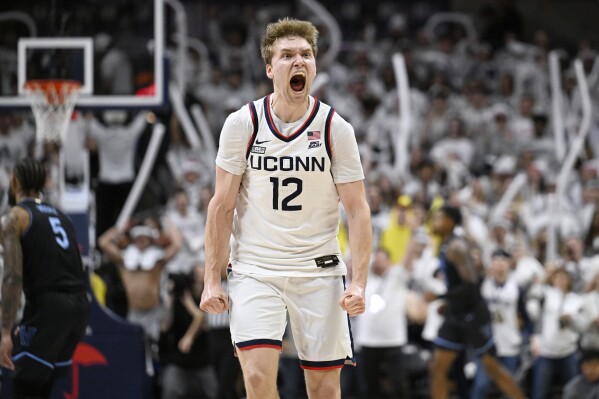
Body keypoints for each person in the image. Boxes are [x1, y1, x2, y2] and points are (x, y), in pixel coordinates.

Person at [200, 18, 372, 399]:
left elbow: (358, 210)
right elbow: (221, 206)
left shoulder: (335, 128)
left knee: (324, 388)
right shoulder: (242, 124)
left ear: (315, 66)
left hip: (318, 271)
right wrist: (212, 280)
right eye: (287, 55)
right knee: (259, 380)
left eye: (306, 55)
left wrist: (359, 281)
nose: (299, 62)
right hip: (255, 269)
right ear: (269, 67)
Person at [0, 158, 90, 398]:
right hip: (80, 306)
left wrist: (5, 331)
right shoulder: (63, 217)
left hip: (49, 307)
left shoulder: (15, 218)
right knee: (42, 386)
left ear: (14, 181)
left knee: (23, 385)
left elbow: (12, 276)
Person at [428, 205, 525, 399]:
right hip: (456, 314)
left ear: (450, 222)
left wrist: (441, 297)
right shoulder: (446, 244)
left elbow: (471, 286)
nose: (435, 222)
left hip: (473, 315)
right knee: (437, 368)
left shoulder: (457, 247)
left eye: (440, 218)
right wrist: (449, 303)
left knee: (492, 369)